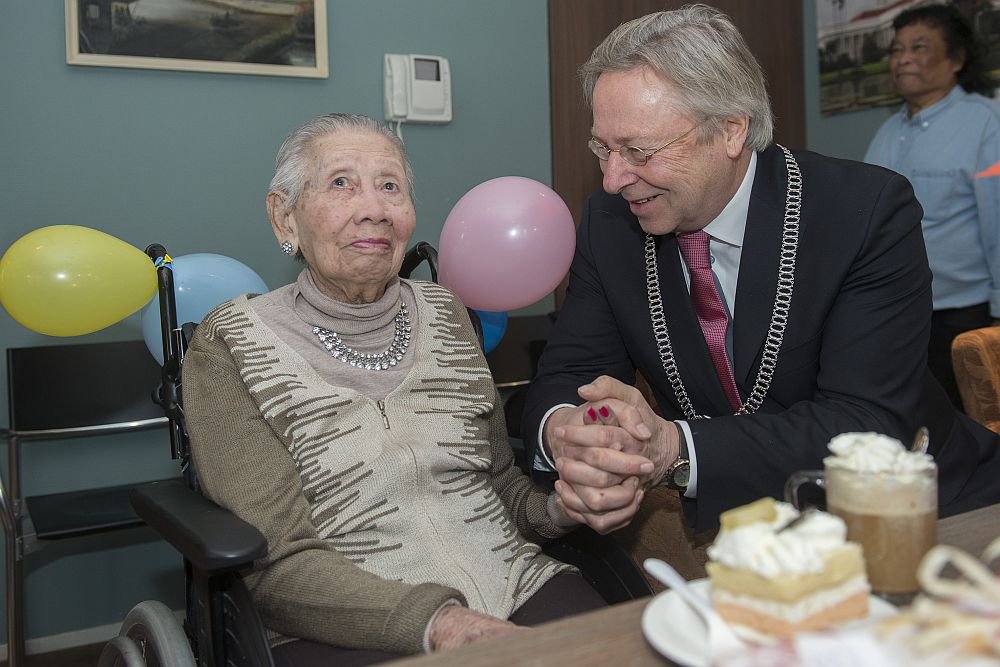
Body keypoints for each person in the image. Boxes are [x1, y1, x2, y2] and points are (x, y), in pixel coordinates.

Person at [522, 5, 1000, 539]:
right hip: (752, 530)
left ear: (731, 130)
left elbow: (867, 422)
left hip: (916, 514)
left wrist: (674, 448)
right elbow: (566, 377)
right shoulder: (609, 225)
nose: (613, 179)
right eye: (603, 149)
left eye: (637, 150)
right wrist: (566, 433)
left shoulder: (864, 212)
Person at [181, 113, 604, 666]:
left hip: (515, 581)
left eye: (390, 186)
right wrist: (441, 623)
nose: (374, 209)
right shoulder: (231, 343)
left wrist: (564, 507)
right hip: (344, 622)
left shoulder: (447, 312)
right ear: (284, 217)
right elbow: (276, 561)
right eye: (341, 183)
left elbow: (499, 482)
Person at [864, 4, 1000, 411]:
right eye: (897, 49)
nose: (902, 58)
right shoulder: (888, 132)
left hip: (963, 314)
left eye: (918, 47)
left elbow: (997, 222)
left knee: (974, 430)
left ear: (956, 59)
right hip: (896, 314)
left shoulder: (987, 124)